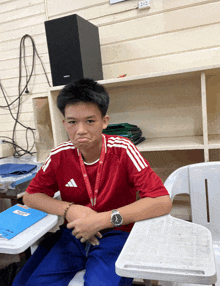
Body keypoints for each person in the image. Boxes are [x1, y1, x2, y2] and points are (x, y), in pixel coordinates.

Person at [12, 78, 172, 286]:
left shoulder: (123, 150)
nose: (80, 130)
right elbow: (31, 196)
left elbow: (161, 201)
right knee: (29, 282)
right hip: (75, 235)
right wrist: (70, 210)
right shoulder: (60, 155)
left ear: (104, 121)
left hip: (116, 234)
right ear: (64, 124)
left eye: (90, 121)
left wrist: (104, 219)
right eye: (72, 122)